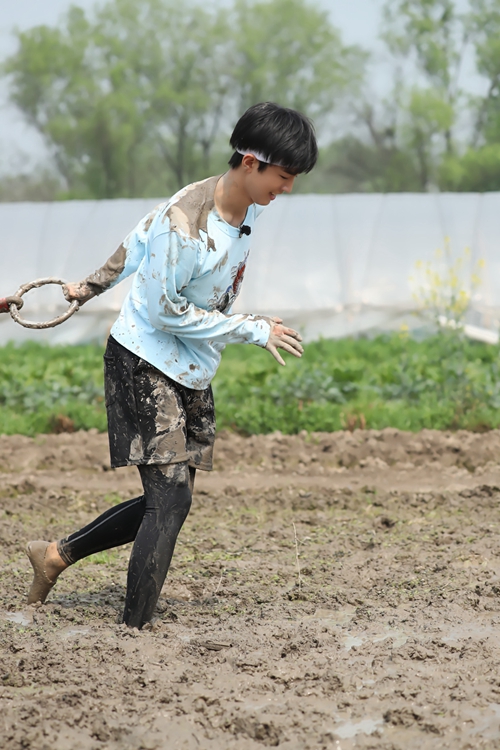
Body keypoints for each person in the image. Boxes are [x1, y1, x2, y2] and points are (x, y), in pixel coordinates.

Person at [26, 101, 318, 629]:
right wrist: (252, 328)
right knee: (170, 500)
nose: (288, 189)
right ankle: (133, 630)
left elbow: (139, 235)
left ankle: (55, 556)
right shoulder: (186, 220)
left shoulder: (244, 207)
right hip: (144, 359)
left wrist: (87, 286)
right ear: (251, 162)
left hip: (192, 364)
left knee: (169, 499)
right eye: (284, 176)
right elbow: (164, 308)